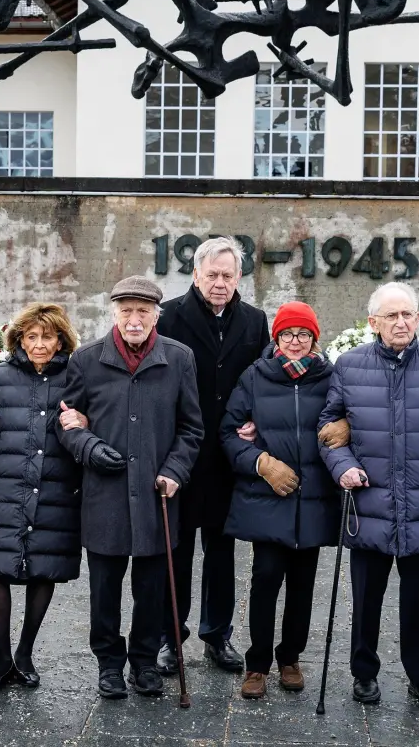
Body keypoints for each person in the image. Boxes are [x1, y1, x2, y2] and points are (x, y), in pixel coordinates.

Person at [318, 282, 419, 712]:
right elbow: (330, 428)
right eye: (392, 316)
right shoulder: (349, 366)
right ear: (373, 323)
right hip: (369, 504)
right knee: (366, 597)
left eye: (408, 315)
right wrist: (343, 466)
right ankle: (363, 673)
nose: (401, 322)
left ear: (418, 319)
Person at [57, 275, 201, 699]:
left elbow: (192, 427)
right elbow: (64, 421)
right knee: (104, 588)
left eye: (142, 311)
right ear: (114, 313)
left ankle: (143, 662)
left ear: (156, 314)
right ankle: (108, 662)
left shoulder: (179, 358)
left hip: (158, 495)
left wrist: (175, 470)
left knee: (151, 589)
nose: (134, 319)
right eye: (126, 311)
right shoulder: (86, 359)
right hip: (105, 495)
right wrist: (89, 446)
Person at [155, 237, 269, 674]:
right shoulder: (168, 316)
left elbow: (262, 379)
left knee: (222, 553)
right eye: (213, 275)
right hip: (180, 452)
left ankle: (217, 635)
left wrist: (256, 418)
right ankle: (172, 636)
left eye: (228, 275)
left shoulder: (255, 321)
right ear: (196, 274)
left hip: (228, 455)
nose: (220, 283)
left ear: (238, 278)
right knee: (176, 550)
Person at [0, 303, 84, 695]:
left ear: (61, 339)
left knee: (44, 569)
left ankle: (25, 654)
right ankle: (1, 659)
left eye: (48, 337)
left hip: (55, 488)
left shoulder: (77, 379)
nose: (40, 345)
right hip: (4, 489)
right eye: (32, 337)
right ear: (19, 340)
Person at [220, 302, 341, 700]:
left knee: (303, 583)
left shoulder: (330, 377)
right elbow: (229, 434)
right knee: (266, 579)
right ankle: (257, 664)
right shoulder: (255, 377)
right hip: (269, 495)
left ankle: (290, 657)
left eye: (303, 335)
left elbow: (349, 415)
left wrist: (347, 424)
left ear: (313, 340)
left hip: (313, 497)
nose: (294, 342)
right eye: (287, 334)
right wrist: (260, 462)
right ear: (276, 339)